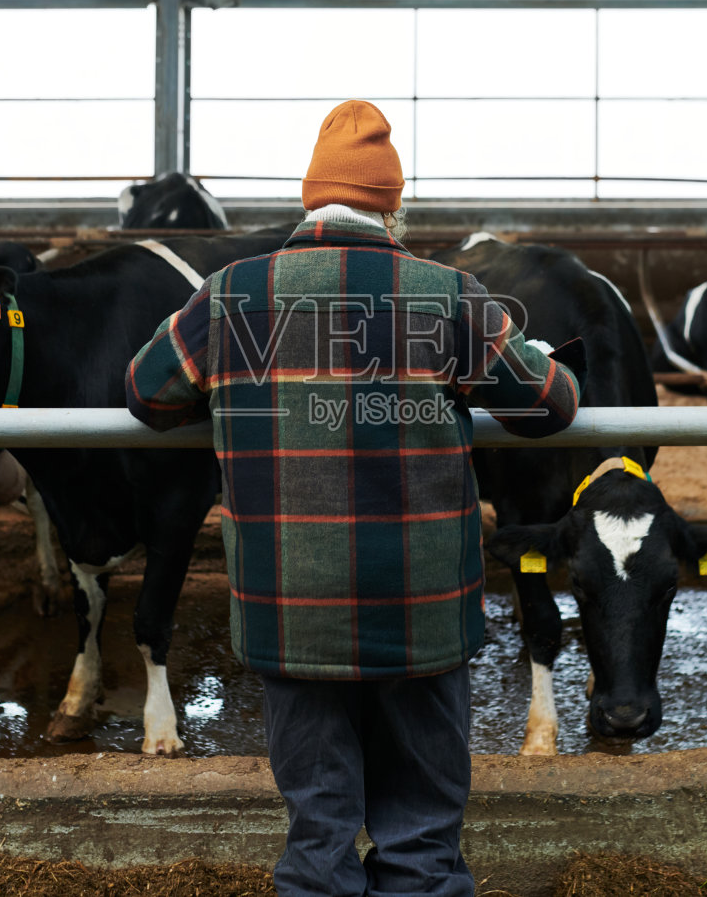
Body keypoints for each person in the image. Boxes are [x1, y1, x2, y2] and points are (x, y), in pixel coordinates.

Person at [125, 99, 584, 897]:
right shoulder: (451, 296)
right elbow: (549, 405)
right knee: (423, 842)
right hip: (423, 611)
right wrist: (535, 353)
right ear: (393, 206)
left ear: (311, 200)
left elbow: (145, 391)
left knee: (319, 839)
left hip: (290, 608)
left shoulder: (231, 294)